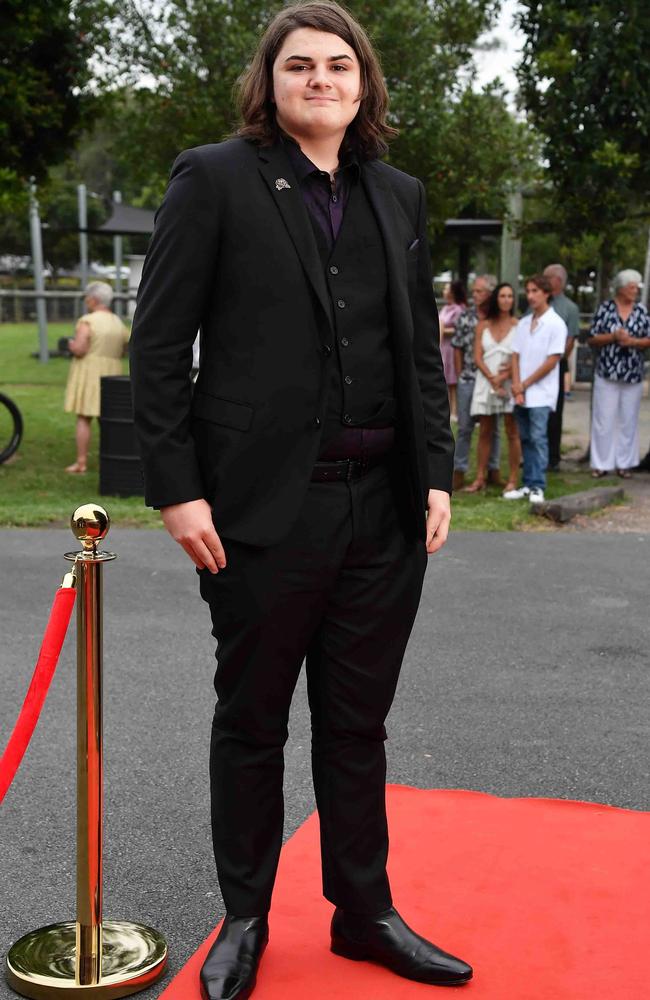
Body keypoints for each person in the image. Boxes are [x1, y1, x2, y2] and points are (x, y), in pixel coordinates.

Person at [129, 3, 472, 998]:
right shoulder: (216, 178)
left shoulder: (397, 195)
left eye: (336, 65)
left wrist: (437, 472)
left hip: (383, 508)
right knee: (253, 722)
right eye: (297, 66)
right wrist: (176, 490)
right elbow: (159, 347)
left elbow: (419, 357)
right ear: (269, 84)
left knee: (357, 726)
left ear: (362, 84)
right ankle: (244, 917)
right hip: (259, 511)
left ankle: (362, 914)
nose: (318, 79)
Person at [504, 274, 567, 503]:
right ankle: (528, 483)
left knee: (538, 437)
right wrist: (517, 386)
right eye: (528, 291)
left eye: (535, 291)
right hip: (522, 393)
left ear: (546, 293)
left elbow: (552, 362)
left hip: (541, 393)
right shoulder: (523, 323)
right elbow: (515, 355)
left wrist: (524, 384)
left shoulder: (556, 323)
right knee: (526, 438)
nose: (530, 296)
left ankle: (538, 484)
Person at [588, 269, 650, 478]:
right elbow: (592, 338)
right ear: (622, 288)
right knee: (604, 419)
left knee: (628, 419)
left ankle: (625, 463)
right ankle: (601, 463)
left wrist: (633, 342)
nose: (635, 291)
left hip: (632, 373)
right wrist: (613, 336)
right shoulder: (605, 309)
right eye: (632, 287)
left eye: (636, 288)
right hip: (607, 370)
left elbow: (648, 339)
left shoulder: (641, 311)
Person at [63, 280, 129, 473]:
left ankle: (81, 462)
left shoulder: (88, 321)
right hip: (112, 373)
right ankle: (111, 460)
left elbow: (81, 349)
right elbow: (125, 348)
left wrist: (71, 345)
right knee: (109, 420)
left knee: (84, 417)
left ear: (92, 299)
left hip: (90, 372)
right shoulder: (118, 322)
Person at [465, 283, 521, 494]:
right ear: (496, 299)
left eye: (510, 296)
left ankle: (513, 479)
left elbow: (519, 356)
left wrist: (504, 377)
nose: (506, 300)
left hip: (508, 381)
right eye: (503, 296)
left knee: (512, 430)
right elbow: (477, 356)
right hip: (486, 381)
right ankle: (480, 477)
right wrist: (492, 378)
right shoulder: (483, 325)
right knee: (485, 431)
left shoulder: (518, 325)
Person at [450, 274, 501, 490]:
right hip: (470, 378)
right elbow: (457, 347)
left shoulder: (498, 318)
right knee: (464, 428)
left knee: (493, 429)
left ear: (490, 293)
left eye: (479, 291)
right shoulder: (465, 317)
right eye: (474, 291)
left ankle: (493, 470)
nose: (475, 295)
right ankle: (459, 471)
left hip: (492, 380)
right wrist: (461, 374)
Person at [542, 264, 580, 469]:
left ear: (558, 280)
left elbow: (571, 340)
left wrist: (554, 359)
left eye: (547, 277)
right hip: (536, 365)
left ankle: (553, 458)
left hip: (556, 365)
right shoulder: (538, 301)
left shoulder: (570, 308)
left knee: (554, 412)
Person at [438, 279, 466, 421]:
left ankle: (455, 411)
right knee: (446, 380)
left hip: (452, 347)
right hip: (443, 347)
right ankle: (448, 410)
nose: (444, 291)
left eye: (447, 289)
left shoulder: (458, 309)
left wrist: (442, 330)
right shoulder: (444, 308)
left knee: (452, 380)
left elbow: (458, 329)